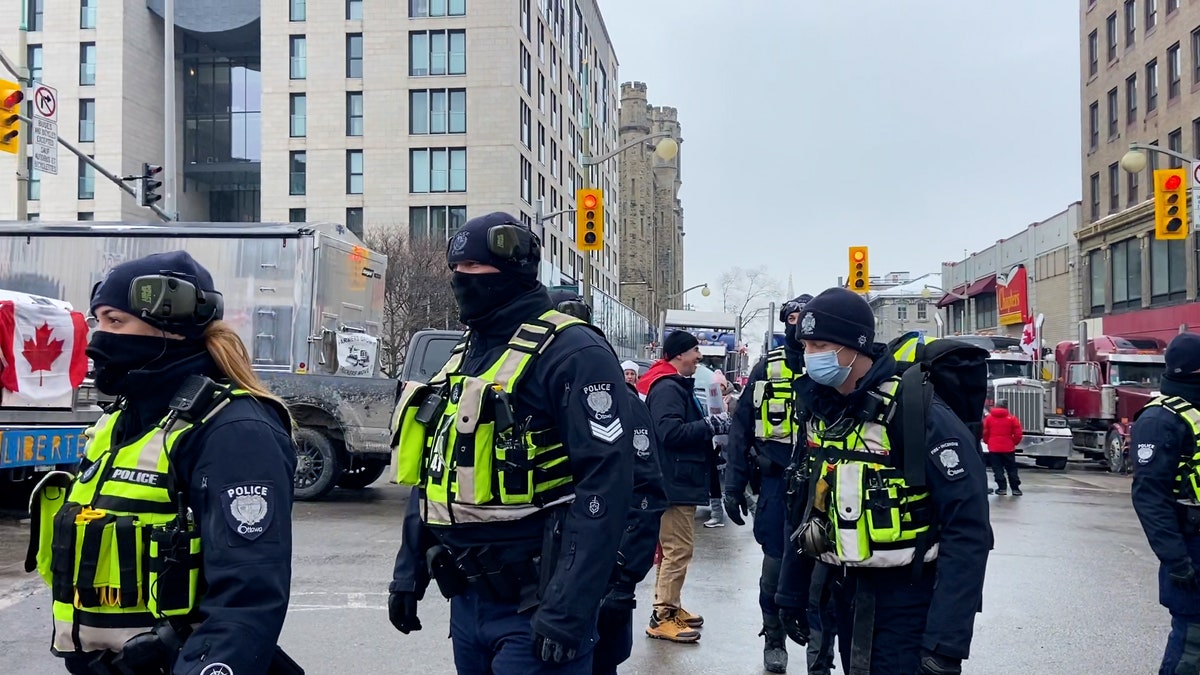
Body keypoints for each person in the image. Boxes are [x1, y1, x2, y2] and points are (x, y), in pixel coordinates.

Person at [27, 251, 298, 675]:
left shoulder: (234, 430)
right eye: (97, 320)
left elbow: (247, 597)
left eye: (116, 322)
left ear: (169, 331)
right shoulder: (116, 423)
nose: (99, 338)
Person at [388, 213, 635, 674]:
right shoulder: (465, 354)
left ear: (515, 274)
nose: (462, 282)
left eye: (476, 271)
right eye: (456, 271)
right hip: (466, 599)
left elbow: (605, 488)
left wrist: (567, 610)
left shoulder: (574, 353)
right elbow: (433, 472)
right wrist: (409, 571)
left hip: (536, 605)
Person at [779, 287, 992, 675]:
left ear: (854, 346)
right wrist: (790, 592)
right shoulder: (819, 411)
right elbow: (804, 503)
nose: (811, 356)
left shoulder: (916, 411)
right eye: (806, 345)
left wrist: (946, 641)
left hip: (908, 602)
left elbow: (969, 527)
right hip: (844, 594)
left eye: (821, 344)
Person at [546, 290, 669, 675]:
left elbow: (645, 494)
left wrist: (624, 579)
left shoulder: (619, 400)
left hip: (603, 576)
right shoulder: (537, 392)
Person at [723, 294, 812, 673]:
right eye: (792, 317)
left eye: (805, 318)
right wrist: (733, 484)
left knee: (823, 568)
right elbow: (741, 430)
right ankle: (773, 637)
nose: (798, 325)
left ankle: (819, 648)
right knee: (774, 567)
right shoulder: (766, 369)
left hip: (823, 484)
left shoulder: (833, 365)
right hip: (776, 484)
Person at [636, 331, 731, 642]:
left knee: (674, 550)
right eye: (694, 351)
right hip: (674, 482)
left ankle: (670, 606)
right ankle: (663, 614)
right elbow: (669, 433)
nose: (699, 357)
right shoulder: (667, 388)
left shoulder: (670, 384)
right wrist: (709, 426)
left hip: (678, 480)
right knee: (678, 551)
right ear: (678, 354)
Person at [1131, 332, 1200, 675]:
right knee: (1193, 642)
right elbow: (1149, 497)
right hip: (1190, 546)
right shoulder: (1160, 420)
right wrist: (1176, 559)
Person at [982, 398, 1024, 496]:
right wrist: (1014, 442)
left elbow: (985, 432)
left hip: (994, 447)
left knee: (997, 468)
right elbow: (1018, 433)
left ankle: (1002, 488)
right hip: (1008, 447)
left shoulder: (989, 419)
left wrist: (988, 441)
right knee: (1011, 468)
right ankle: (1015, 489)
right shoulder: (1012, 418)